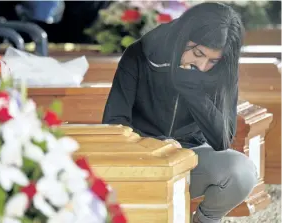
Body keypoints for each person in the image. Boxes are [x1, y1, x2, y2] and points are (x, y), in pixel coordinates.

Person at [102, 2, 258, 223]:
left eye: (213, 60)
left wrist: (191, 87)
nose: (203, 66)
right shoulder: (139, 54)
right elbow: (113, 123)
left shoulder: (223, 68)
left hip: (191, 160)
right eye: (197, 53)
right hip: (141, 162)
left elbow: (222, 139)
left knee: (242, 172)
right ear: (183, 37)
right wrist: (154, 147)